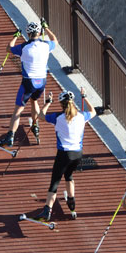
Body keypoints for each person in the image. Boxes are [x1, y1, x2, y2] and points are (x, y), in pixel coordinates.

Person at [0, 21, 58, 148]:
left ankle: (10, 136)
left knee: (18, 110)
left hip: (28, 82)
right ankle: (35, 125)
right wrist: (47, 28)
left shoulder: (23, 48)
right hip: (42, 81)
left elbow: (8, 48)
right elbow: (55, 40)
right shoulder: (46, 45)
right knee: (34, 101)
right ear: (39, 33)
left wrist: (16, 36)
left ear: (28, 34)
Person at [35, 87, 95, 221]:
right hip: (78, 154)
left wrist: (48, 102)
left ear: (62, 104)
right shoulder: (81, 116)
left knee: (55, 182)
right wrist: (84, 96)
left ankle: (47, 211)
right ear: (73, 103)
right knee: (69, 175)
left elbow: (40, 115)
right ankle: (72, 204)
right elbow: (93, 111)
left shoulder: (58, 117)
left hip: (64, 154)